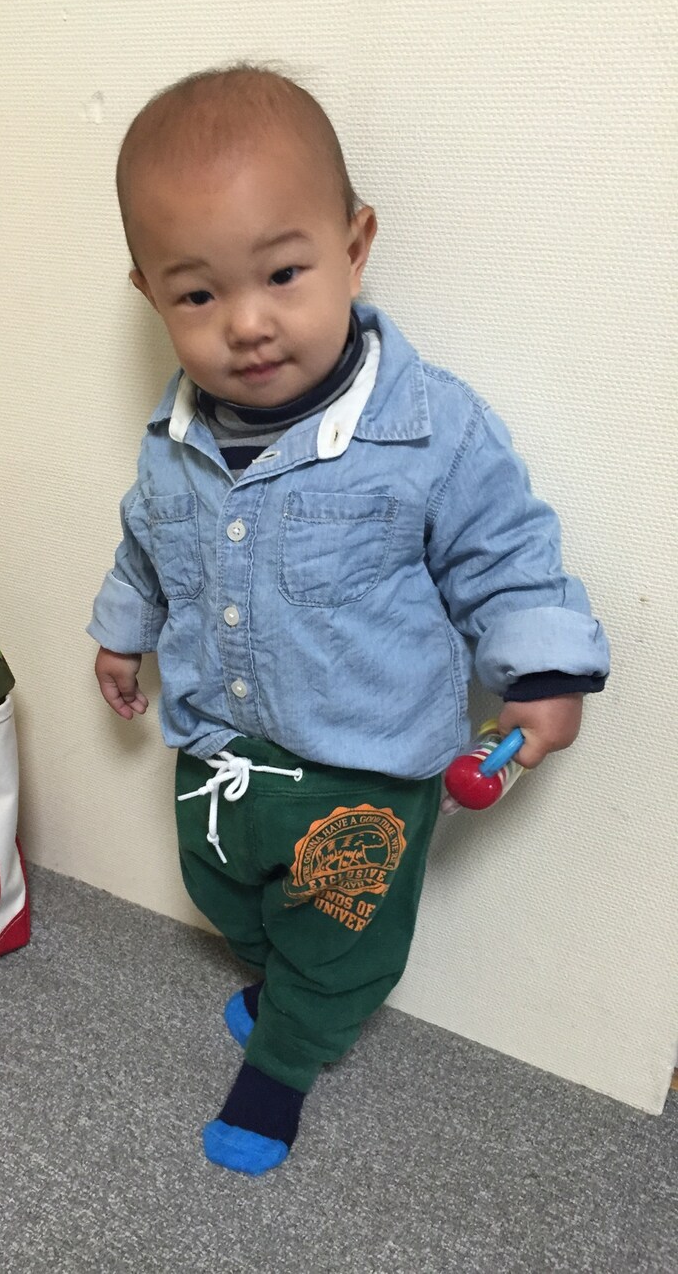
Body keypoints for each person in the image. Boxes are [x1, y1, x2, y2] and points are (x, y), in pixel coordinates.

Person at [87, 65, 609, 1176]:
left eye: (284, 273)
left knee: (341, 941)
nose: (248, 324)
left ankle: (285, 1059)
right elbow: (146, 542)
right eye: (197, 295)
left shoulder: (429, 429)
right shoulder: (173, 438)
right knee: (222, 888)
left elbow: (505, 554)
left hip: (360, 769)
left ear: (355, 243)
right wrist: (122, 630)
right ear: (150, 295)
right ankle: (286, 985)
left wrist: (543, 675)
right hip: (221, 746)